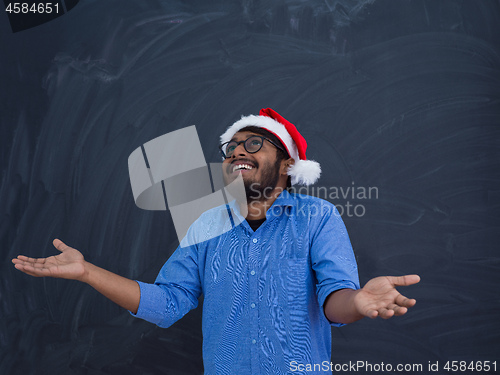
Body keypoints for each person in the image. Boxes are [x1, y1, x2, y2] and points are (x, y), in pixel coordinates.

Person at [12, 108, 420, 374]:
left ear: (288, 165)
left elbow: (336, 302)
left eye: (254, 143)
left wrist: (358, 303)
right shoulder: (206, 225)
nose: (237, 151)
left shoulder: (317, 217)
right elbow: (169, 303)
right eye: (232, 147)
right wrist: (87, 272)